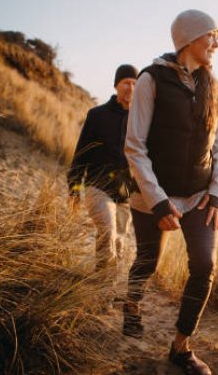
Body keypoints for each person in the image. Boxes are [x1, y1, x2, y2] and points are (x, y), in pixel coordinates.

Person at [123, 9, 218, 375]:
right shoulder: (151, 80)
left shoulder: (214, 86)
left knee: (205, 265)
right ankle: (133, 304)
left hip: (199, 196)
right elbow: (134, 147)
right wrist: (158, 200)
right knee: (148, 261)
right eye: (210, 35)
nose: (217, 43)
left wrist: (217, 194)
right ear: (188, 39)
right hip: (154, 194)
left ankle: (181, 347)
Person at [67, 64, 138, 277]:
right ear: (116, 84)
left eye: (135, 84)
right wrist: (74, 189)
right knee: (108, 233)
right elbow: (82, 153)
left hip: (125, 194)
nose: (131, 88)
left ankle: (106, 286)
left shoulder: (140, 120)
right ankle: (103, 290)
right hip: (97, 187)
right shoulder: (97, 115)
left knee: (118, 241)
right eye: (126, 82)